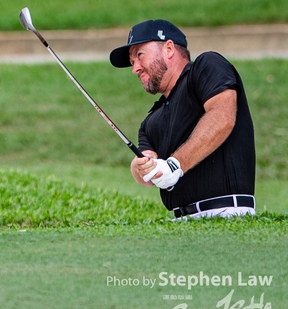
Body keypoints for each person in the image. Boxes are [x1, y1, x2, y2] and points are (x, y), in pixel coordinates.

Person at [109, 20, 256, 219]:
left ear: (168, 48)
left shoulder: (206, 66)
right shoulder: (150, 122)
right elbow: (146, 168)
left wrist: (174, 165)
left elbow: (223, 117)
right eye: (132, 62)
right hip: (180, 224)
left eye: (139, 56)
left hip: (228, 213)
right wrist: (141, 168)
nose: (135, 68)